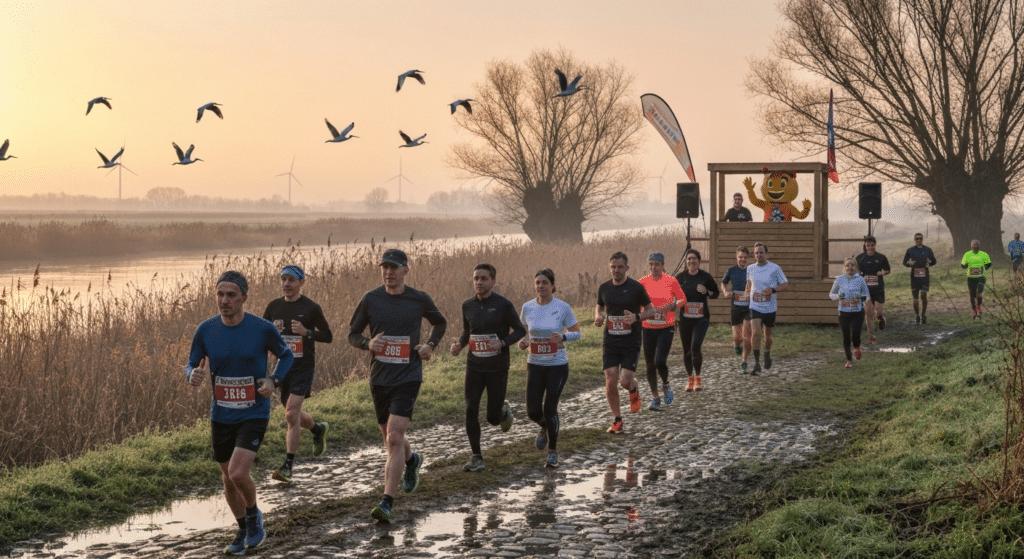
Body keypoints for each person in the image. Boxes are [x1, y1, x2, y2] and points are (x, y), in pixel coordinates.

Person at [185, 271, 295, 555]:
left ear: (244, 298)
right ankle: (242, 529)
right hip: (221, 414)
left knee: (237, 472)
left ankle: (254, 515)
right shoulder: (206, 329)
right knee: (227, 478)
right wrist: (192, 374)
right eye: (220, 294)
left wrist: (273, 381)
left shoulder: (262, 328)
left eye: (231, 295)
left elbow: (287, 355)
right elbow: (191, 363)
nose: (224, 300)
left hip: (254, 411)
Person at [348, 249, 447, 523]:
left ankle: (387, 502)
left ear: (406, 270)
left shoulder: (419, 298)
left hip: (408, 376)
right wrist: (367, 343)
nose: (389, 272)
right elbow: (352, 334)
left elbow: (440, 323)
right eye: (385, 267)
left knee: (393, 438)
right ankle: (412, 460)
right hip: (379, 378)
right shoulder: (371, 299)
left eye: (394, 267)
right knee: (391, 440)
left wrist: (430, 345)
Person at [450, 263, 526, 472]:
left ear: (493, 281)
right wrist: (459, 344)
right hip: (474, 366)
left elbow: (520, 330)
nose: (479, 282)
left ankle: (502, 412)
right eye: (476, 278)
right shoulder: (467, 305)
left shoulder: (503, 304)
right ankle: (477, 457)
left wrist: (502, 343)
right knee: (470, 409)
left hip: (497, 367)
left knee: (492, 418)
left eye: (483, 278)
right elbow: (468, 333)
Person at [263, 265, 333, 485]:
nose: (286, 284)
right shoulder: (273, 307)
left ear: (301, 282)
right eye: (283, 279)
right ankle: (317, 429)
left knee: (291, 413)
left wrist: (306, 332)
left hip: (304, 367)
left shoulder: (311, 308)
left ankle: (288, 466)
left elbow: (328, 336)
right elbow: (263, 336)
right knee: (293, 414)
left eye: (292, 280)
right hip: (283, 369)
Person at [517, 269, 581, 468]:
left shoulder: (562, 307)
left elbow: (577, 333)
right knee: (533, 412)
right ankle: (544, 426)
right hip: (535, 364)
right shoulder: (527, 307)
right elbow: (523, 332)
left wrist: (562, 337)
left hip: (557, 366)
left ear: (553, 286)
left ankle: (552, 451)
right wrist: (523, 341)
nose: (540, 286)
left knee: (550, 408)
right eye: (537, 283)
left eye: (545, 282)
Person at [595, 252, 657, 435]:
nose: (616, 270)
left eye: (620, 267)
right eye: (613, 267)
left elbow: (651, 311)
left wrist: (636, 317)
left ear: (627, 268)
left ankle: (633, 386)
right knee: (610, 379)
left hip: (631, 340)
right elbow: (599, 306)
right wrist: (598, 316)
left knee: (624, 381)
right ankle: (617, 419)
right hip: (610, 340)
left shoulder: (636, 288)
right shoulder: (604, 287)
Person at [638, 252, 686, 410]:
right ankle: (655, 397)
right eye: (651, 264)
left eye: (656, 264)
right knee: (650, 364)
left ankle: (666, 384)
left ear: (663, 265)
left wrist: (673, 305)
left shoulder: (671, 281)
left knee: (660, 361)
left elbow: (682, 298)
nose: (653, 267)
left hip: (666, 327)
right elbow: (636, 301)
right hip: (648, 328)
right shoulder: (642, 282)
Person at [674, 249, 720, 390]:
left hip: (701, 319)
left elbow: (715, 294)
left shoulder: (705, 277)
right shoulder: (680, 278)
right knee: (686, 350)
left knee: (695, 347)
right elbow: (673, 296)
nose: (691, 262)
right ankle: (690, 379)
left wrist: (706, 292)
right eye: (688, 259)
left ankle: (698, 378)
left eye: (694, 259)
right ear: (686, 262)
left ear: (699, 261)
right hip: (685, 319)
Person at [744, 243, 789, 375]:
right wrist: (747, 292)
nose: (759, 255)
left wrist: (773, 290)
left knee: (767, 336)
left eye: (761, 252)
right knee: (756, 332)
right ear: (754, 255)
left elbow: (785, 285)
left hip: (769, 307)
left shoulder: (774, 268)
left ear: (766, 253)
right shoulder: (750, 268)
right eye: (756, 253)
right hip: (755, 305)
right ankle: (757, 364)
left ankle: (767, 352)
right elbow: (749, 284)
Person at [830, 258, 871, 369]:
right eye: (848, 265)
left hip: (857, 312)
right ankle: (849, 360)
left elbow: (866, 295)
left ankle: (857, 347)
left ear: (856, 268)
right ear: (844, 267)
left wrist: (859, 299)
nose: (850, 267)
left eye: (852, 265)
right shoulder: (839, 279)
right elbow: (831, 294)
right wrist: (838, 296)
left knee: (855, 335)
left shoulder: (861, 279)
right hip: (843, 312)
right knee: (846, 336)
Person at [721, 246, 753, 373]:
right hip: (735, 308)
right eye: (740, 257)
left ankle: (744, 361)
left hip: (748, 308)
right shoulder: (731, 270)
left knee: (746, 337)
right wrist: (725, 291)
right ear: (736, 258)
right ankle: (736, 345)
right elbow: (723, 283)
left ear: (748, 258)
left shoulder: (752, 271)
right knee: (737, 337)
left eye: (745, 257)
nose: (743, 259)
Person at [856, 235, 890, 343]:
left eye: (872, 245)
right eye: (868, 245)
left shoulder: (881, 257)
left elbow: (888, 270)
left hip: (878, 289)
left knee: (878, 313)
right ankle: (872, 335)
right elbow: (855, 272)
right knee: (868, 312)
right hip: (866, 291)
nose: (870, 247)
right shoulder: (859, 258)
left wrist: (883, 273)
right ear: (865, 246)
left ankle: (881, 319)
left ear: (875, 245)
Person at [903, 233, 937, 324]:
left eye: (920, 239)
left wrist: (929, 263)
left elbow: (934, 261)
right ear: (914, 240)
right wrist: (908, 263)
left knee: (923, 295)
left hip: (924, 276)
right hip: (914, 277)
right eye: (917, 239)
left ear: (922, 239)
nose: (918, 240)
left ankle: (923, 315)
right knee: (915, 298)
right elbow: (904, 262)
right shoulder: (910, 250)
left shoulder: (927, 250)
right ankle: (917, 315)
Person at [961, 239, 992, 320]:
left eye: (977, 245)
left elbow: (989, 264)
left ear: (979, 246)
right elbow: (962, 265)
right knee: (972, 294)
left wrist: (982, 268)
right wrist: (966, 266)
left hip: (981, 277)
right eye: (974, 245)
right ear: (971, 246)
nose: (975, 247)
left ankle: (978, 309)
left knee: (979, 292)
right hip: (971, 277)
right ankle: (974, 310)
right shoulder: (967, 254)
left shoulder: (984, 254)